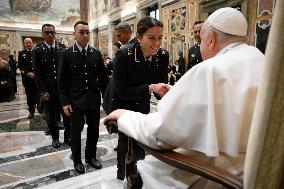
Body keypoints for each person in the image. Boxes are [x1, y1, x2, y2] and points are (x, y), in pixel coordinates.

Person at [104, 7, 265, 188]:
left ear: (211, 40)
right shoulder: (261, 59)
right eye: (152, 38)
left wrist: (124, 116)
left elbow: (161, 134)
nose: (157, 43)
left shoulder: (210, 68)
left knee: (148, 169)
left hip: (222, 174)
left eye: (201, 39)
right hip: (256, 166)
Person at [110, 16, 169, 180]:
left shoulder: (162, 55)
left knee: (141, 138)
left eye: (160, 38)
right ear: (138, 37)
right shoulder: (123, 55)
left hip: (142, 104)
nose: (157, 43)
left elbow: (159, 86)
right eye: (151, 38)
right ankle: (123, 175)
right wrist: (150, 88)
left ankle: (139, 173)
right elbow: (122, 91)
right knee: (126, 140)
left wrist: (166, 90)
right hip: (122, 103)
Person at [58, 21, 108, 174]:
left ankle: (91, 157)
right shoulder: (66, 54)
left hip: (93, 101)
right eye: (82, 32)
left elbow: (103, 79)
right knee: (75, 133)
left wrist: (106, 99)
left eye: (87, 32)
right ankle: (78, 161)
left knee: (94, 131)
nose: (85, 35)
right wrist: (65, 102)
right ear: (74, 34)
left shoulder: (95, 53)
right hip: (75, 101)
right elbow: (62, 81)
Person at [33, 24, 71, 148]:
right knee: (50, 117)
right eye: (47, 32)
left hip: (63, 90)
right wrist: (42, 91)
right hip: (48, 90)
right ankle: (55, 138)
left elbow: (66, 69)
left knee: (67, 115)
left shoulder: (62, 48)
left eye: (52, 32)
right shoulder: (37, 50)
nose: (50, 34)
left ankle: (67, 136)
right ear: (42, 34)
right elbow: (37, 73)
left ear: (55, 33)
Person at [18, 38, 38, 118]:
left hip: (37, 78)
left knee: (39, 95)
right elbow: (20, 66)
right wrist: (28, 73)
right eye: (26, 43)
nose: (28, 44)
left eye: (30, 42)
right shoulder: (21, 53)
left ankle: (41, 109)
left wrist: (36, 73)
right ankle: (31, 111)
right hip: (27, 79)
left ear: (32, 43)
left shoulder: (37, 52)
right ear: (24, 44)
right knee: (29, 96)